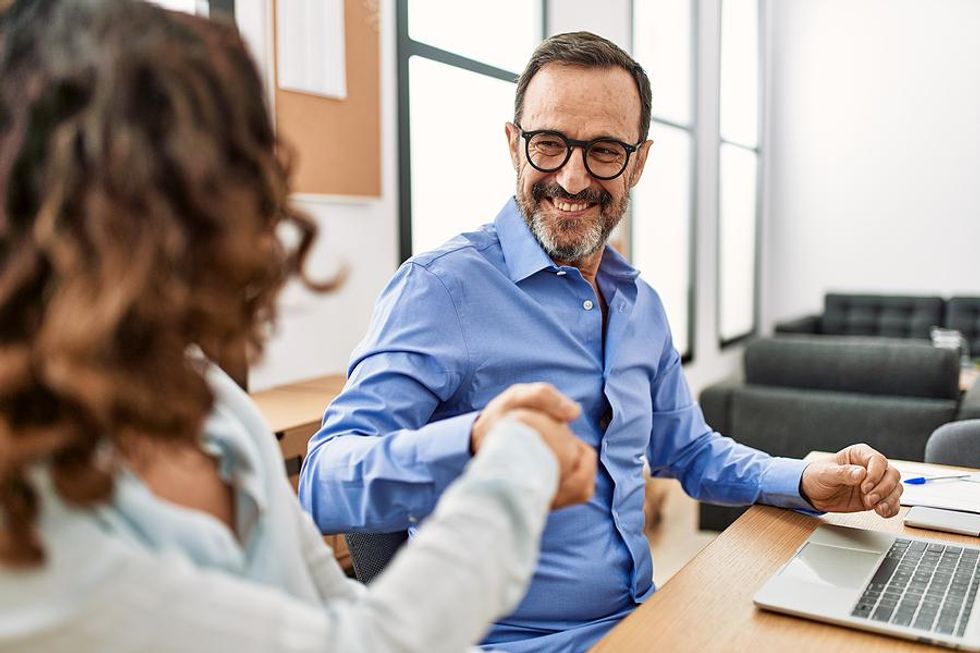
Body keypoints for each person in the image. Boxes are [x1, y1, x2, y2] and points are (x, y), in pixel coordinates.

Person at [0, 2, 598, 652]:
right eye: (221, 177)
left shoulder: (205, 399)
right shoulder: (27, 523)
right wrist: (511, 464)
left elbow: (334, 599)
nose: (259, 217)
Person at [298, 31, 904, 653]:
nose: (572, 176)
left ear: (639, 161)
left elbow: (689, 453)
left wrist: (806, 479)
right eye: (550, 144)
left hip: (644, 620)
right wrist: (473, 441)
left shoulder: (640, 303)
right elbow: (323, 480)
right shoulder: (439, 290)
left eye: (604, 151)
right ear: (514, 145)